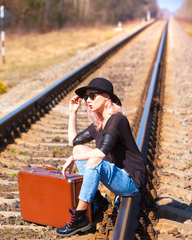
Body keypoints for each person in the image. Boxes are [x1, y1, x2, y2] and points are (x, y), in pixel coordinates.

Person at [56, 77, 146, 237]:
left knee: (94, 159)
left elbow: (102, 152)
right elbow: (73, 142)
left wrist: (74, 159)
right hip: (117, 175)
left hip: (131, 181)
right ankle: (97, 200)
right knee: (78, 149)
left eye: (93, 96)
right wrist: (72, 113)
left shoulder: (117, 119)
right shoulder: (99, 122)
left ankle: (80, 216)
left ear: (106, 97)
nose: (88, 100)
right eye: (86, 98)